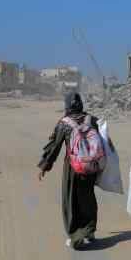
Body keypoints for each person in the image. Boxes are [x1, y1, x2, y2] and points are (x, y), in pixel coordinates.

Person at [38, 91, 103, 249]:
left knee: (71, 200)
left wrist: (45, 166)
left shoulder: (64, 123)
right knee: (88, 198)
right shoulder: (92, 120)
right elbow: (104, 143)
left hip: (73, 167)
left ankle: (75, 236)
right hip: (91, 166)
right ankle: (89, 231)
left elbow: (54, 146)